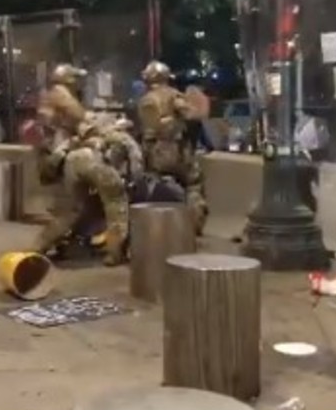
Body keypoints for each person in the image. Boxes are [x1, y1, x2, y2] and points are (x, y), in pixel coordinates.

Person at [32, 64, 133, 266]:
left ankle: (39, 247)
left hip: (64, 161)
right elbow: (86, 121)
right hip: (80, 155)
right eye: (75, 80)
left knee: (70, 209)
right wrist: (113, 127)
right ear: (69, 80)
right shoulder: (61, 95)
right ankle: (115, 251)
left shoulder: (47, 99)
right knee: (115, 197)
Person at [136, 60, 209, 235]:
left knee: (153, 188)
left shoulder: (145, 100)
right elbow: (192, 114)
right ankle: (195, 224)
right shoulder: (173, 95)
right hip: (175, 150)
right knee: (193, 184)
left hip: (152, 153)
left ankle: (157, 228)